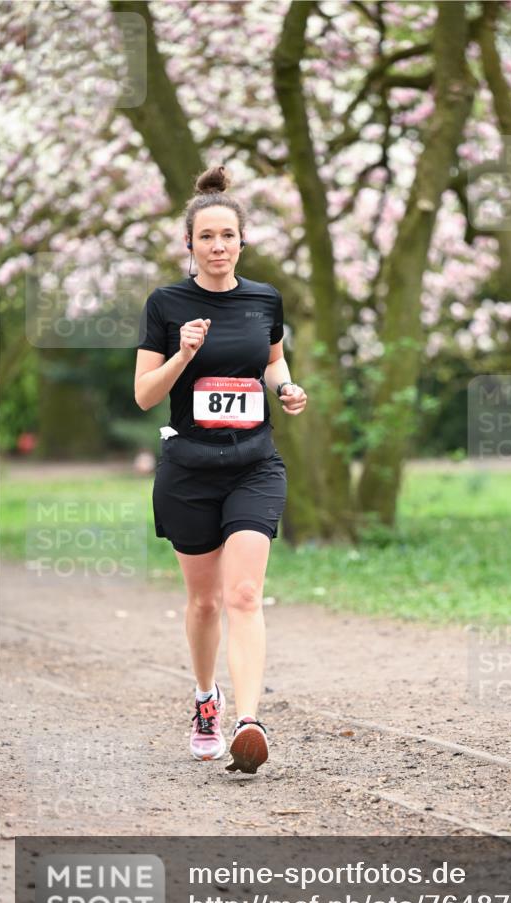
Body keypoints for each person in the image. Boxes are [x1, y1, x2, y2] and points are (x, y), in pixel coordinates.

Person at [134, 164, 307, 774]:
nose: (217, 247)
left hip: (254, 464)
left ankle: (248, 720)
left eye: (227, 237)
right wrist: (183, 352)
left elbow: (273, 363)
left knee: (243, 593)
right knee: (204, 603)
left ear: (241, 242)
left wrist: (287, 389)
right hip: (189, 469)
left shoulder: (264, 300)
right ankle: (206, 699)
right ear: (190, 244)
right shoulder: (166, 305)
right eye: (205, 237)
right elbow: (145, 396)